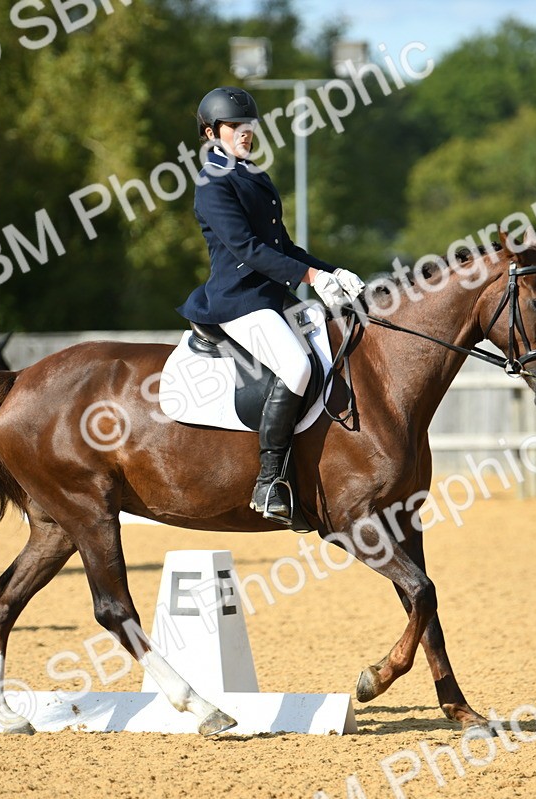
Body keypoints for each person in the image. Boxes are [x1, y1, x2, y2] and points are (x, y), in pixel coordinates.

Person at [178, 86, 367, 525]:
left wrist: (335, 271)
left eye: (249, 126)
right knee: (297, 367)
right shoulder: (213, 184)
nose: (245, 134)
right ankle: (269, 481)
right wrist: (312, 279)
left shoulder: (252, 176)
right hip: (239, 301)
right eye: (235, 127)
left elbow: (284, 246)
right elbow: (247, 249)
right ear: (211, 133)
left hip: (272, 296)